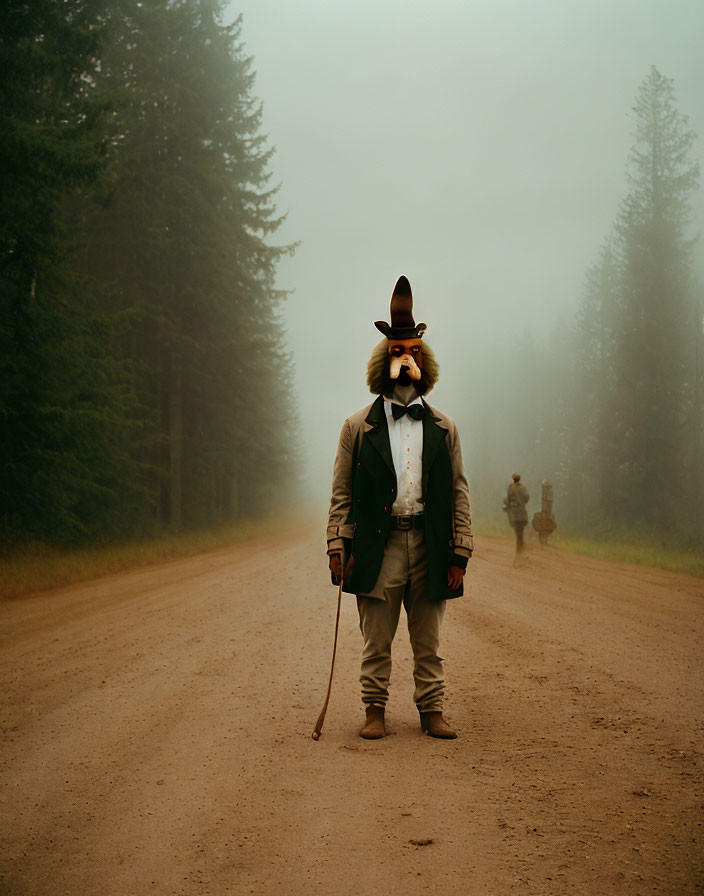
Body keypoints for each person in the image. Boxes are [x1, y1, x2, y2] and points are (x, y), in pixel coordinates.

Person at [326, 275, 473, 740]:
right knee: (377, 637)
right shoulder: (356, 427)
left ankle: (432, 711)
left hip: (429, 542)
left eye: (411, 353)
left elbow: (460, 493)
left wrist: (460, 553)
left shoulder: (445, 427)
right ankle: (374, 710)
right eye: (395, 352)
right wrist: (336, 545)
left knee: (428, 639)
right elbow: (341, 494)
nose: (404, 361)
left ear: (422, 361)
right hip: (378, 543)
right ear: (382, 360)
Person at [503, 473, 530, 559]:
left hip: (514, 515)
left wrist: (507, 505)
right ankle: (520, 553)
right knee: (520, 534)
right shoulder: (524, 488)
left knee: (518, 534)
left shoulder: (510, 487)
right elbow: (527, 498)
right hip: (522, 514)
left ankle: (519, 553)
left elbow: (507, 500)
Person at [532, 479, 557, 545]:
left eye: (544, 484)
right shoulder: (545, 491)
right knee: (541, 526)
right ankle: (542, 540)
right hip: (543, 511)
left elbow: (548, 501)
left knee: (545, 526)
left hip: (546, 511)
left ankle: (544, 540)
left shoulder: (548, 491)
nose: (543, 486)